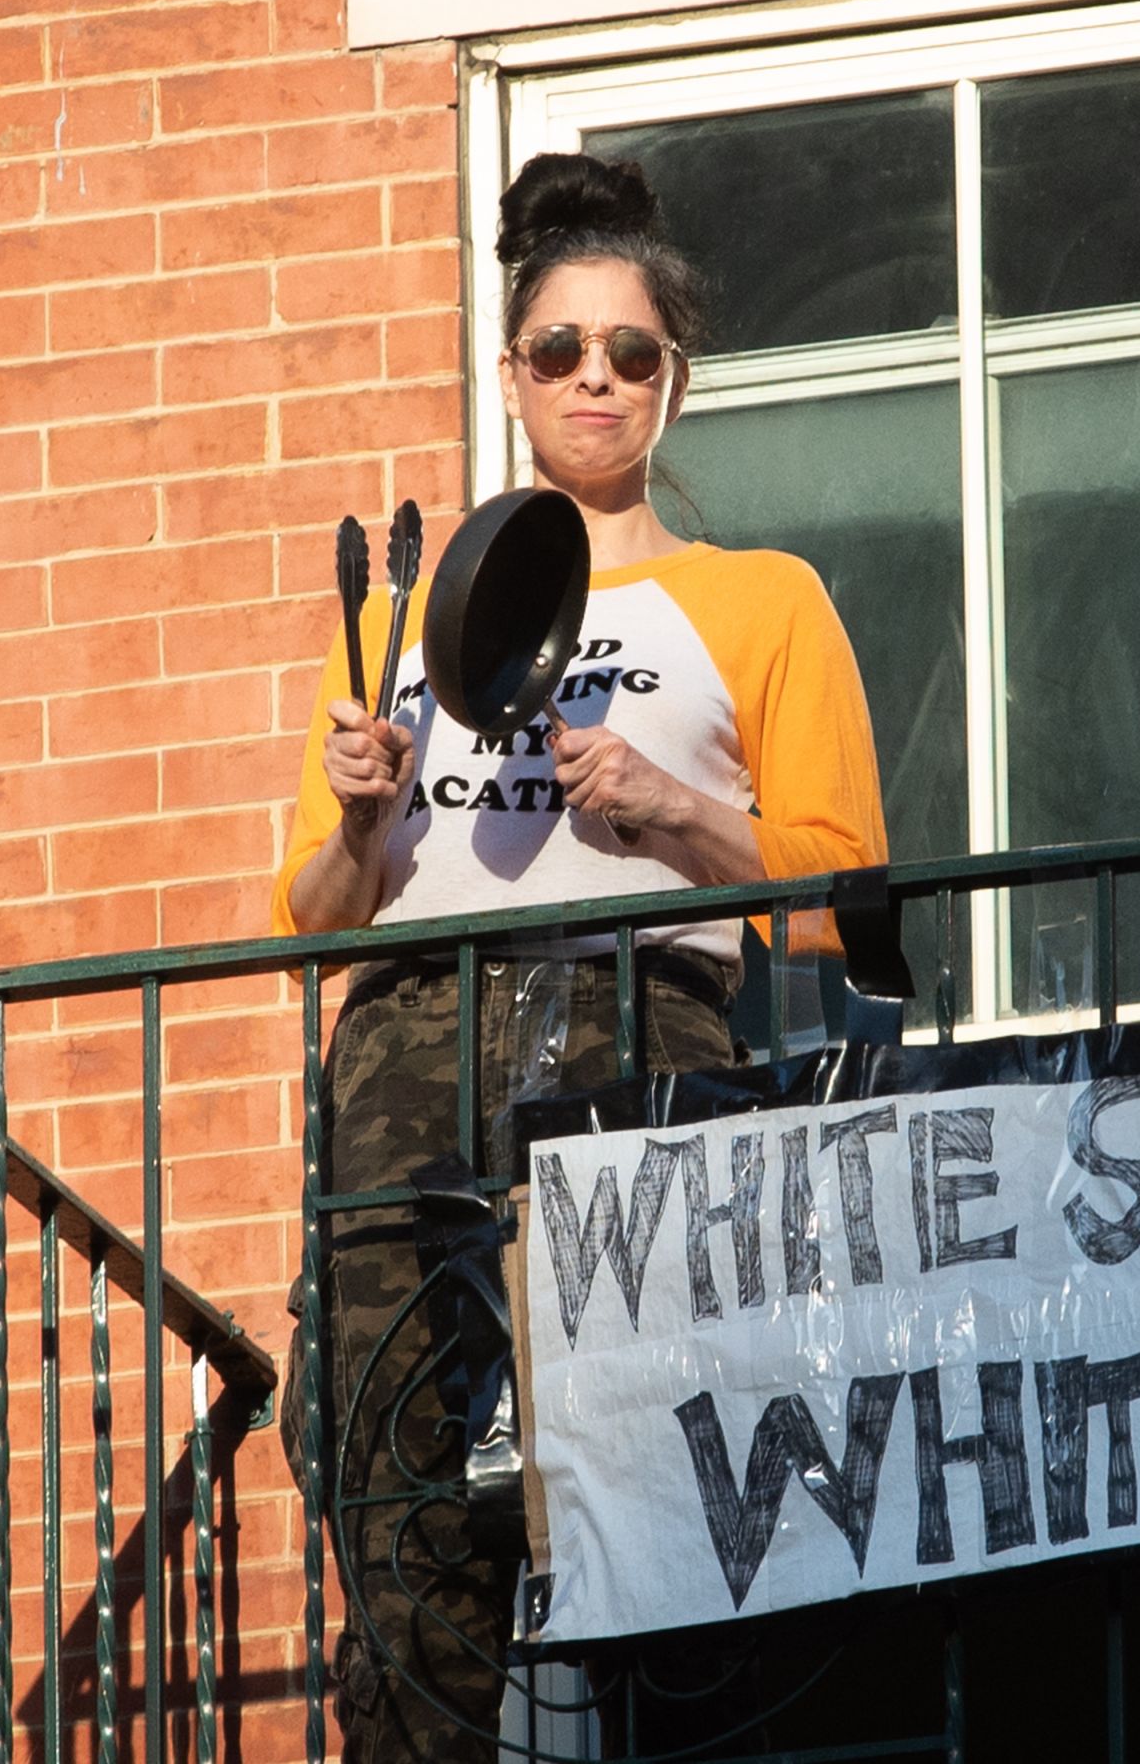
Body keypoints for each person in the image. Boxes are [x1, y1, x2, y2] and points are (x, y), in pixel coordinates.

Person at [272, 151, 887, 1763]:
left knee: (644, 1469)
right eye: (561, 350)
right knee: (389, 1458)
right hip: (406, 1059)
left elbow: (851, 895)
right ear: (511, 375)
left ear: (671, 384)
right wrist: (355, 816)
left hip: (641, 1045)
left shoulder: (761, 600)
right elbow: (314, 917)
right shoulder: (412, 619)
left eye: (629, 352)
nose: (593, 378)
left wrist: (677, 813)